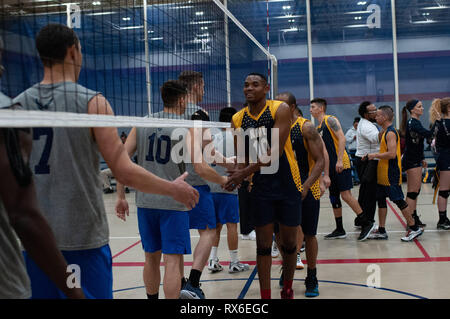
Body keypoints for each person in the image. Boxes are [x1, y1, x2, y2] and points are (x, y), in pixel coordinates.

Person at [13, 23, 199, 299]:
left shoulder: (16, 106)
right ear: (73, 51)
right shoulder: (94, 104)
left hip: (33, 240)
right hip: (83, 237)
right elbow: (123, 169)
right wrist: (173, 189)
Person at [0, 37, 84, 300]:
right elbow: (24, 216)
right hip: (8, 280)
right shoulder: (8, 112)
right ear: (72, 52)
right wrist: (76, 292)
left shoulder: (18, 103)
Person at [115, 80, 201, 299]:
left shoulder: (142, 123)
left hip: (145, 202)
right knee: (172, 261)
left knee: (150, 258)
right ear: (182, 99)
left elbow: (121, 159)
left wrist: (121, 195)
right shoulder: (185, 126)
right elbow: (200, 166)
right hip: (174, 201)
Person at [225, 73, 303, 299]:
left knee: (289, 244)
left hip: (288, 183)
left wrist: (243, 172)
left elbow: (275, 153)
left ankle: (287, 288)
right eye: (246, 84)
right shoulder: (238, 118)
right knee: (263, 246)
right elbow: (243, 157)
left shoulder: (280, 109)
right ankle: (265, 296)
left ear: (266, 88)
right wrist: (236, 175)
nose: (249, 88)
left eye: (255, 85)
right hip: (260, 187)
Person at [177, 71, 231, 299]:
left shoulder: (168, 114)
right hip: (196, 184)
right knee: (209, 231)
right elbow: (208, 152)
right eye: (204, 86)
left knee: (176, 239)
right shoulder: (199, 114)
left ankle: (177, 283)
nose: (205, 90)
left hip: (170, 185)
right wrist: (224, 174)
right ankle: (193, 283)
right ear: (197, 86)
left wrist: (227, 161)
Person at [275, 92, 327, 297]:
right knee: (279, 234)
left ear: (293, 106)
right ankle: (286, 267)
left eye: (282, 105)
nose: (277, 109)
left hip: (307, 187)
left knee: (309, 233)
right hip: (282, 189)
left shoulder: (305, 127)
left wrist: (306, 186)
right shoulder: (274, 128)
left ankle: (312, 275)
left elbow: (320, 160)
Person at [310, 98, 374, 241]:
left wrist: (339, 160)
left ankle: (366, 222)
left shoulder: (330, 120)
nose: (310, 109)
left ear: (321, 108)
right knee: (333, 197)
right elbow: (323, 152)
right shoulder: (317, 128)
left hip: (341, 163)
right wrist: (325, 173)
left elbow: (342, 139)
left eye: (313, 107)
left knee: (345, 195)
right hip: (330, 166)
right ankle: (339, 229)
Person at [367, 105, 423, 241]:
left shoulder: (391, 133)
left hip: (390, 173)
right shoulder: (384, 131)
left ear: (385, 117)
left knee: (398, 200)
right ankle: (381, 230)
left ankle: (414, 228)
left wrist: (374, 155)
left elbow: (392, 154)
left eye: (378, 115)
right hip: (382, 173)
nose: (376, 117)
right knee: (380, 200)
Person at [207, 107, 250, 274]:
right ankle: (233, 262)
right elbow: (243, 163)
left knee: (215, 226)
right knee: (232, 225)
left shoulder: (211, 138)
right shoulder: (236, 139)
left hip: (211, 186)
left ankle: (212, 260)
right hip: (229, 186)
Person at [400, 99, 433, 228]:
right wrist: (438, 122)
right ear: (412, 110)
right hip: (411, 160)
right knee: (412, 192)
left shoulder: (414, 122)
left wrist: (422, 157)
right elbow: (428, 134)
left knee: (415, 191)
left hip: (415, 158)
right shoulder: (413, 123)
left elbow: (416, 144)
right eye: (419, 106)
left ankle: (413, 217)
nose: (422, 108)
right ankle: (411, 220)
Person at [354, 102, 384, 239]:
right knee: (370, 194)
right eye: (373, 111)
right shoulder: (367, 126)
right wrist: (387, 127)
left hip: (365, 160)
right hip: (368, 162)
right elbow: (376, 138)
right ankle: (369, 222)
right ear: (366, 114)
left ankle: (361, 219)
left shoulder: (366, 123)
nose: (376, 112)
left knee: (364, 192)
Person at [431, 98, 450, 230]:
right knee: (444, 190)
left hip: (443, 158)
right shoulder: (445, 123)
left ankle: (443, 218)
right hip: (446, 158)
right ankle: (442, 220)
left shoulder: (438, 123)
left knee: (444, 190)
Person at [345, 117, 360, 185]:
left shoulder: (361, 130)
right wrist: (352, 138)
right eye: (355, 125)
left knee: (360, 164)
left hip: (360, 149)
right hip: (353, 150)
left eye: (358, 125)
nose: (356, 126)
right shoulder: (350, 131)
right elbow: (346, 139)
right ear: (353, 124)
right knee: (354, 164)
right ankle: (356, 179)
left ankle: (360, 178)